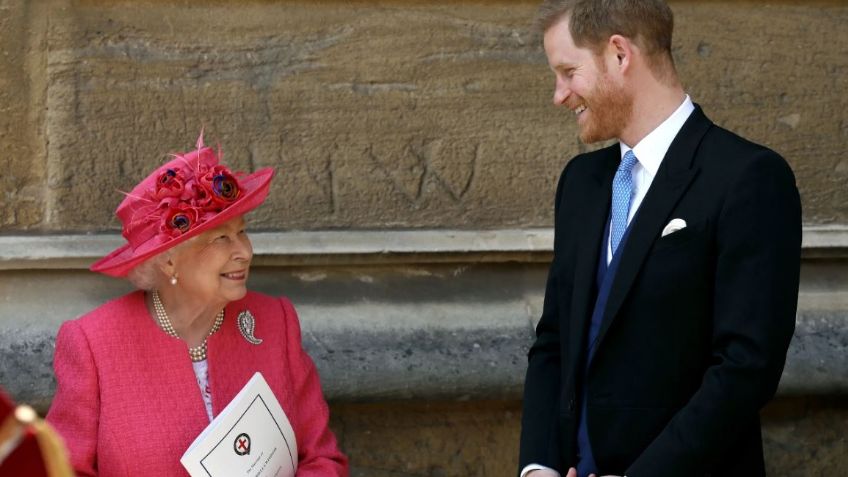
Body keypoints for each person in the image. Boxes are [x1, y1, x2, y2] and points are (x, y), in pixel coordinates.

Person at [518, 1, 801, 477]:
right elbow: (554, 342)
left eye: (569, 72)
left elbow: (745, 368)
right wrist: (539, 468)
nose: (559, 95)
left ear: (619, 55)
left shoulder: (748, 177)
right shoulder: (581, 183)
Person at [47, 134, 348, 476]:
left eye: (242, 232)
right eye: (220, 238)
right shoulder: (93, 344)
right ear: (168, 262)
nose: (244, 252)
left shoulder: (274, 322)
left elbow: (323, 461)